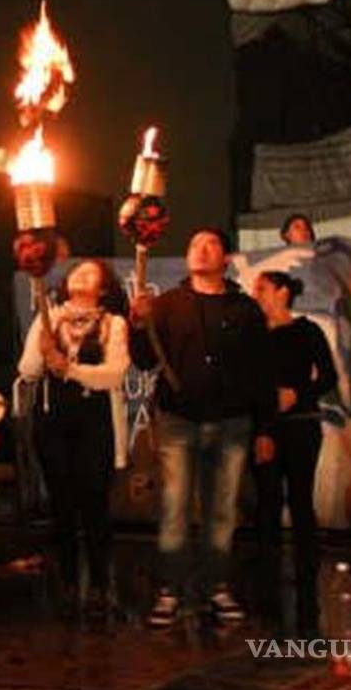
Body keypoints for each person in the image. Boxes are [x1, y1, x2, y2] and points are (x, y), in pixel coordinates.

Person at [130, 227, 275, 628]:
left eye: (211, 244)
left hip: (231, 422)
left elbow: (261, 375)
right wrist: (138, 325)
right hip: (178, 420)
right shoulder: (166, 304)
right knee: (175, 508)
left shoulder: (244, 309)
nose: (202, 250)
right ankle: (171, 590)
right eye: (195, 244)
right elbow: (144, 361)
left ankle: (217, 587)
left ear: (225, 258)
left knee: (222, 511)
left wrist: (265, 429)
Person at [18, 260, 130, 618]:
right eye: (76, 271)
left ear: (103, 287)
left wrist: (72, 369)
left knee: (94, 506)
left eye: (90, 272)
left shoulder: (113, 324)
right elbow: (28, 370)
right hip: (53, 423)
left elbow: (113, 374)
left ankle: (100, 584)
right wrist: (42, 346)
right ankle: (66, 581)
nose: (80, 274)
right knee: (62, 506)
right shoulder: (49, 318)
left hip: (94, 424)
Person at [251, 271, 338, 635]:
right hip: (263, 428)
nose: (256, 294)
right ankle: (266, 580)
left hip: (301, 424)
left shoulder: (307, 331)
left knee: (301, 498)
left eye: (263, 288)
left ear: (283, 292)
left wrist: (298, 395)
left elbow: (329, 376)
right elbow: (249, 385)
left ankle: (307, 575)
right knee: (267, 500)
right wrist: (262, 428)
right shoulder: (252, 336)